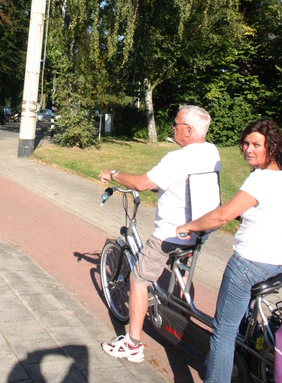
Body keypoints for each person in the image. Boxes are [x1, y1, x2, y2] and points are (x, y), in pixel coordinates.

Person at [100, 105, 220, 363]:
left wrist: (114, 174)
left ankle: (132, 344)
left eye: (175, 124)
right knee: (182, 273)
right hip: (198, 234)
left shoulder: (177, 158)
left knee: (139, 278)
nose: (172, 127)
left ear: (188, 130)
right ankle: (180, 317)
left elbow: (142, 184)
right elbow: (186, 184)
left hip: (170, 235)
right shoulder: (211, 152)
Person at [176, 119, 282, 383]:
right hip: (275, 264)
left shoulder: (260, 179)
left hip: (248, 264)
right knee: (243, 322)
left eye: (257, 144)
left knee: (222, 332)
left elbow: (222, 216)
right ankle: (240, 364)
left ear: (273, 146)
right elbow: (255, 213)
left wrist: (189, 225)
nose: (248, 149)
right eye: (246, 143)